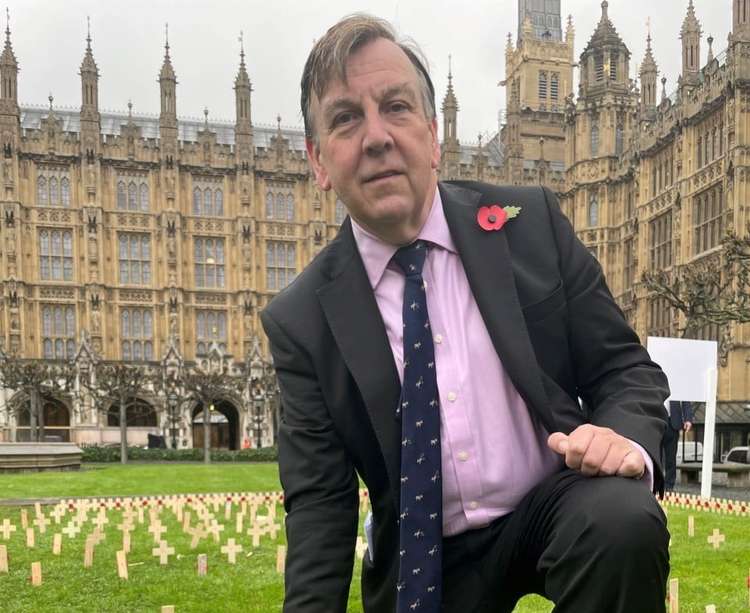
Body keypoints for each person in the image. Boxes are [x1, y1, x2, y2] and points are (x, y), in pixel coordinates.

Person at [261, 14, 671, 613]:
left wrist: (625, 441)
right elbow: (320, 506)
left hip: (555, 504)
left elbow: (624, 368)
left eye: (396, 107)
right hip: (427, 552)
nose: (377, 136)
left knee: (620, 518)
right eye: (346, 118)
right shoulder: (302, 320)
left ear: (434, 133)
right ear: (318, 161)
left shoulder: (530, 224)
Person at [663, 400, 694, 490]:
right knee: (655, 455)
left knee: (671, 457)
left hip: (673, 423)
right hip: (656, 420)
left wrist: (688, 419)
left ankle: (669, 486)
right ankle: (654, 483)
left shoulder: (679, 385)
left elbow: (685, 400)